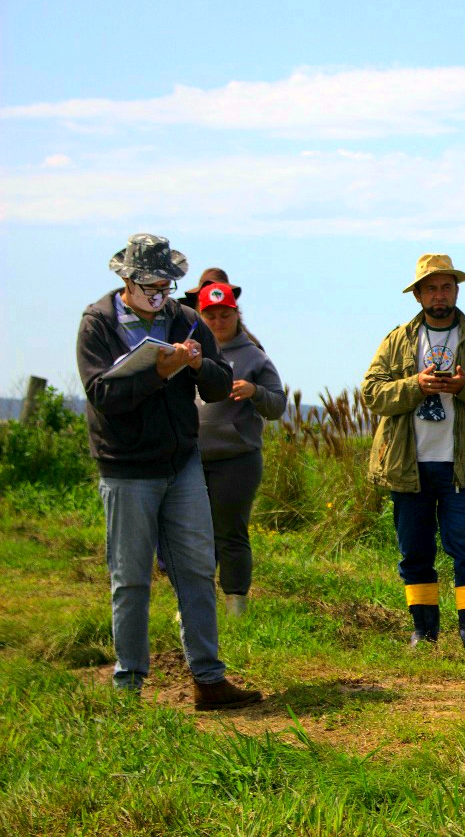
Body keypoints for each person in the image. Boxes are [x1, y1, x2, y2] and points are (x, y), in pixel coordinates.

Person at [76, 233, 262, 709]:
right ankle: (129, 687)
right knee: (131, 577)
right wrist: (156, 372)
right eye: (150, 288)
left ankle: (209, 679)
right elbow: (102, 396)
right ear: (126, 280)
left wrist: (199, 366)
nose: (159, 296)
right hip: (126, 468)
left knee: (198, 570)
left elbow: (220, 388)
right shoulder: (97, 324)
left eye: (165, 286)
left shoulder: (186, 320)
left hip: (182, 465)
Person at [362, 254, 465, 652]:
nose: (439, 295)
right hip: (408, 465)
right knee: (414, 551)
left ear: (456, 290)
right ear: (417, 295)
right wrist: (415, 384)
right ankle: (424, 634)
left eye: (446, 287)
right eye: (431, 288)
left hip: (462, 468)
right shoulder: (397, 339)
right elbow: (371, 393)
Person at [196, 282, 286, 617]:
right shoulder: (192, 354)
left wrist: (254, 391)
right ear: (202, 317)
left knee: (229, 532)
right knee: (193, 533)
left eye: (224, 315)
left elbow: (277, 406)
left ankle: (236, 604)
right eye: (211, 315)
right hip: (192, 458)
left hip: (237, 459)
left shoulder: (254, 357)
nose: (218, 322)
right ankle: (195, 602)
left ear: (236, 315)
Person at [181, 267, 265, 349]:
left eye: (225, 315)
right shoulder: (180, 323)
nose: (215, 300)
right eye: (207, 294)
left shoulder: (250, 350)